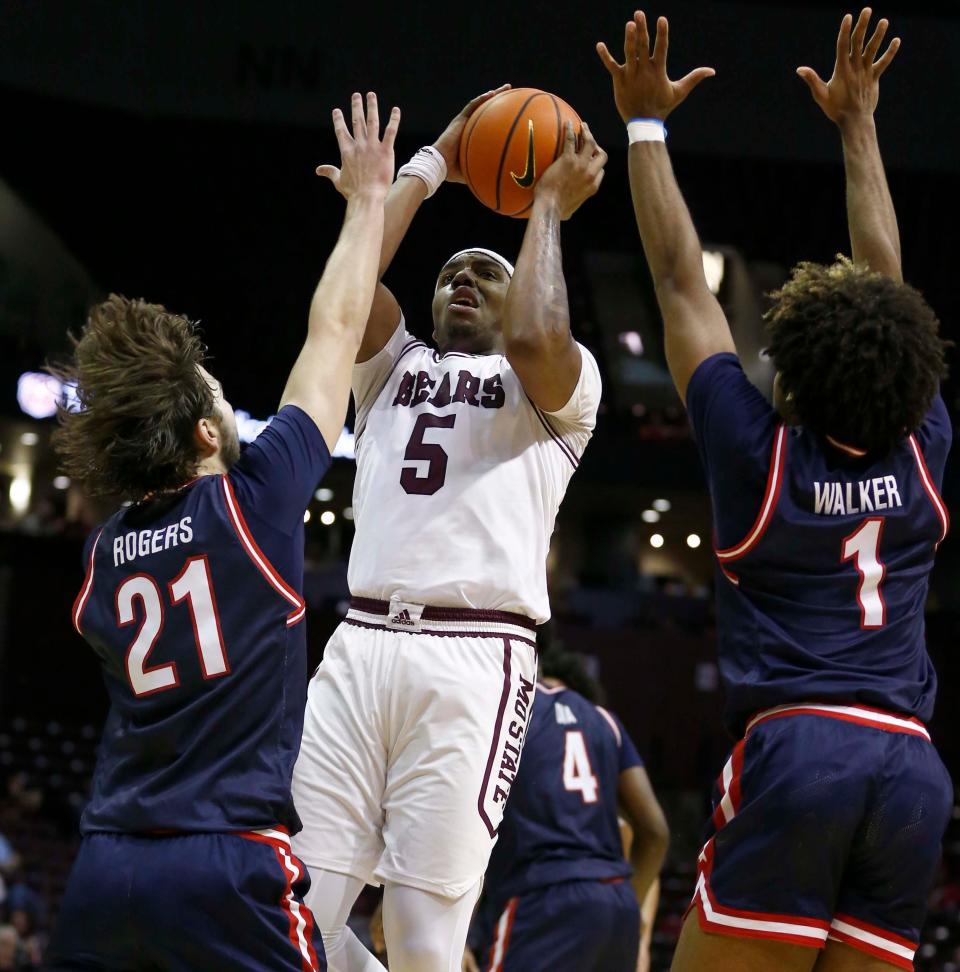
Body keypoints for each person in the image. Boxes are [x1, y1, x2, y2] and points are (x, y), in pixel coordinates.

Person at [597, 9, 952, 972]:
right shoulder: (922, 449)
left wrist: (643, 126)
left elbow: (680, 283)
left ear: (793, 371)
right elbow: (890, 283)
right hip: (913, 770)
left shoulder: (764, 461)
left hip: (802, 752)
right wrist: (859, 125)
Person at [43, 91, 399, 972]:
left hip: (106, 869)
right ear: (206, 432)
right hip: (226, 861)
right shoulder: (256, 498)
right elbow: (335, 330)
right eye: (212, 390)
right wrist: (367, 204)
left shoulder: (100, 557)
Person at [291, 89, 607, 972]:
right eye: (449, 275)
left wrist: (544, 204)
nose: (462, 279)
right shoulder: (394, 368)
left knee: (430, 942)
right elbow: (349, 291)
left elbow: (542, 331)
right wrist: (431, 162)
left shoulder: (557, 388)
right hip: (357, 643)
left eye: (487, 274)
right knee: (295, 912)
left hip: (476, 654)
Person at [468, 648, 669, 972]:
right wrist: (631, 908)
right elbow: (656, 833)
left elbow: (470, 827)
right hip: (616, 904)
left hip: (542, 900)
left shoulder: (509, 712)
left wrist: (459, 932)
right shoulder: (604, 720)